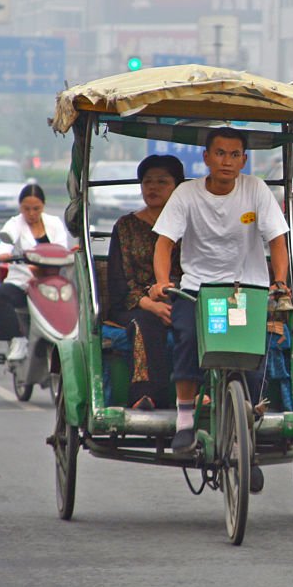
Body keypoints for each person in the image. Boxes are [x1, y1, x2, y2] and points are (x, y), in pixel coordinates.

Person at [148, 127, 292, 459]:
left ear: (244, 159)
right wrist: (161, 281)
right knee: (186, 339)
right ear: (207, 157)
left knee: (255, 356)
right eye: (220, 153)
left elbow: (277, 240)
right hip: (198, 290)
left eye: (234, 155)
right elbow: (164, 243)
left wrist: (280, 280)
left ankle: (248, 430)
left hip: (247, 292)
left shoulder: (255, 189)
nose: (227, 161)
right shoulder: (187, 194)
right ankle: (185, 421)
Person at [107, 155, 185, 410]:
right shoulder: (126, 226)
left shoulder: (190, 225)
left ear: (177, 186)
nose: (153, 188)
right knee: (145, 323)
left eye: (162, 182)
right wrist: (149, 304)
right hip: (133, 303)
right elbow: (118, 281)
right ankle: (146, 395)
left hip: (181, 298)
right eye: (148, 182)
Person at [0, 184, 71, 361]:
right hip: (23, 284)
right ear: (20, 207)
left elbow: (62, 249)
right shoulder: (14, 224)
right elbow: (4, 246)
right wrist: (6, 254)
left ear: (43, 206)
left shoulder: (54, 223)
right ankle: (18, 339)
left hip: (52, 284)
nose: (31, 214)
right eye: (26, 209)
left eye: (36, 209)